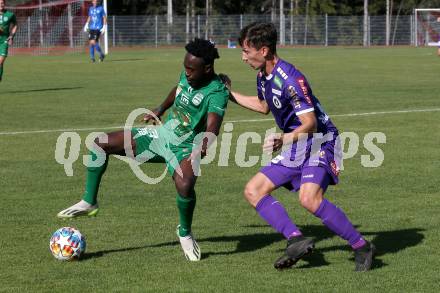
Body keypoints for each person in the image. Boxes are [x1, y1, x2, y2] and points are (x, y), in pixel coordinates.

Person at [57, 38, 230, 262]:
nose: (186, 73)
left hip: (185, 147)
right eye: (185, 68)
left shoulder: (216, 92)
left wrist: (203, 146)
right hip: (161, 135)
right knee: (100, 142)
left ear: (207, 68)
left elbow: (213, 125)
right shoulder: (188, 75)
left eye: (191, 69)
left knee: (185, 185)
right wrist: (160, 109)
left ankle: (185, 233)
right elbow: (177, 90)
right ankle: (90, 201)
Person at [227, 22, 375, 271]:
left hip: (321, 141)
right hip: (300, 143)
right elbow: (264, 106)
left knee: (309, 199)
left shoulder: (292, 80)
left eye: (245, 51)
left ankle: (362, 246)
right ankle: (296, 240)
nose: (243, 57)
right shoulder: (263, 76)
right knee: (254, 190)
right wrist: (229, 94)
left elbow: (310, 123)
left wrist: (283, 139)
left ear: (263, 51)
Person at [0, 0, 17, 82]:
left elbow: (15, 25)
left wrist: (11, 36)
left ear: (5, 4)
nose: (1, 4)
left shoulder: (10, 14)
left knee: (0, 62)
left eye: (2, 3)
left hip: (4, 41)